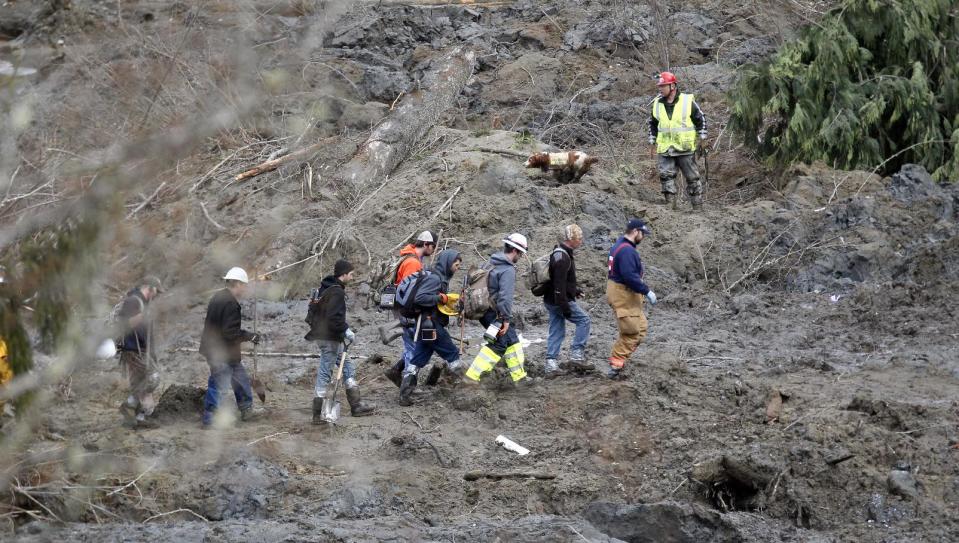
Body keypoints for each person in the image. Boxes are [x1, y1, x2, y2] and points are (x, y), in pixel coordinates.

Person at [306, 259, 374, 423]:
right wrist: (345, 330)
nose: (352, 277)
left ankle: (356, 405)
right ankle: (318, 415)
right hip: (329, 338)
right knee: (325, 373)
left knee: (348, 366)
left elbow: (315, 314)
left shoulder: (325, 288)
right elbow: (333, 318)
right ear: (343, 274)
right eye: (350, 274)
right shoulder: (336, 292)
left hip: (326, 336)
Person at [464, 233, 536, 387]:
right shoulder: (507, 269)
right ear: (516, 251)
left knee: (511, 340)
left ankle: (520, 377)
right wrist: (506, 319)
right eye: (521, 254)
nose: (521, 257)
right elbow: (505, 297)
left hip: (483, 310)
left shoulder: (490, 262)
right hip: (494, 312)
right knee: (500, 343)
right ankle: (471, 377)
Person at [199, 267, 263, 427]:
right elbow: (230, 333)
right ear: (238, 284)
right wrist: (249, 336)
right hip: (220, 352)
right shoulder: (230, 303)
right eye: (244, 285)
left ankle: (246, 409)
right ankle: (210, 419)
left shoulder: (219, 297)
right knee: (219, 384)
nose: (245, 288)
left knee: (240, 379)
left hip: (226, 352)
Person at [399, 250, 464, 405]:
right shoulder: (435, 278)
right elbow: (420, 298)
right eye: (456, 264)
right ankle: (466, 388)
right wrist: (441, 298)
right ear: (448, 263)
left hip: (425, 324)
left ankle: (405, 395)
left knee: (418, 359)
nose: (458, 268)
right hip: (431, 324)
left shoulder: (437, 276)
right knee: (452, 353)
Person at [383, 230, 439, 387]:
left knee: (412, 343)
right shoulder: (413, 263)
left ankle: (396, 370)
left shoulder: (412, 259)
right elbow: (409, 291)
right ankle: (408, 387)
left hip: (402, 308)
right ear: (426, 244)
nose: (433, 250)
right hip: (406, 309)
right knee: (413, 345)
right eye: (433, 246)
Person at [649, 71, 707, 210]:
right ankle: (670, 206)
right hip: (665, 148)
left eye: (664, 86)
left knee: (692, 178)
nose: (660, 89)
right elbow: (652, 123)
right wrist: (652, 141)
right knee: (666, 176)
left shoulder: (687, 101)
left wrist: (703, 137)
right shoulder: (657, 104)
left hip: (684, 147)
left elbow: (701, 119)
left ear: (673, 86)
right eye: (660, 86)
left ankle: (697, 207)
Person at [606, 219, 657, 379]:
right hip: (623, 294)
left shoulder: (620, 245)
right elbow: (629, 276)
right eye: (642, 234)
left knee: (640, 328)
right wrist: (646, 290)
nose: (643, 237)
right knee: (631, 332)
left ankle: (621, 361)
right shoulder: (627, 250)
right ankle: (615, 366)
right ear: (635, 231)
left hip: (626, 294)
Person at [542, 225, 591, 375]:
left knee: (557, 330)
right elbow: (558, 287)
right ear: (572, 239)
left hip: (551, 301)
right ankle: (577, 355)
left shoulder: (559, 253)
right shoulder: (563, 258)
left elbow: (561, 282)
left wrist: (575, 291)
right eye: (579, 238)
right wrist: (566, 309)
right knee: (584, 320)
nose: (581, 241)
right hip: (559, 301)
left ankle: (551, 363)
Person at [117, 276, 163, 429]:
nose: (156, 295)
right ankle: (130, 405)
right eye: (156, 291)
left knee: (138, 383)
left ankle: (135, 419)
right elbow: (126, 324)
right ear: (150, 287)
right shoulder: (134, 301)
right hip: (134, 350)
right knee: (153, 377)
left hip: (139, 349)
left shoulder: (141, 303)